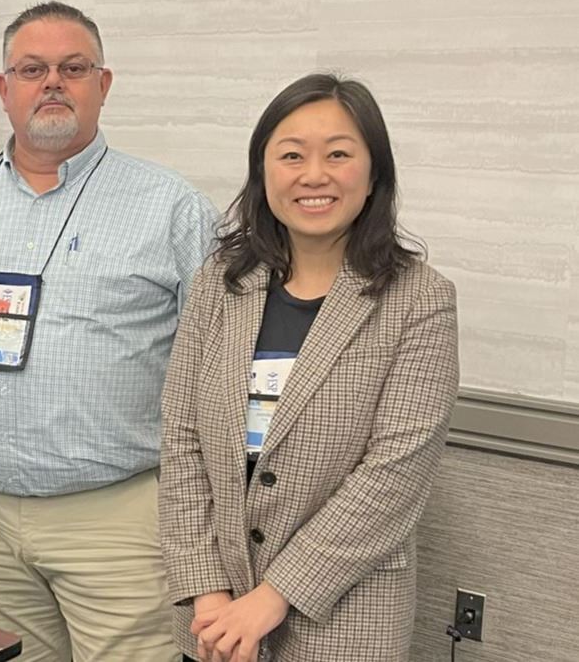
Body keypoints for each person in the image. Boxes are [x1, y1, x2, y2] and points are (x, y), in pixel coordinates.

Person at [0, 1, 219, 661]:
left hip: (119, 520)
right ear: (4, 90)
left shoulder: (174, 210)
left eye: (73, 67)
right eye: (32, 69)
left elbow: (215, 374)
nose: (53, 82)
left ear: (104, 84)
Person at [159, 73, 460, 662]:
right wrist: (206, 588)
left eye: (339, 155)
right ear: (263, 172)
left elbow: (393, 475)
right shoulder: (221, 284)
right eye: (291, 155)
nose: (313, 175)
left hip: (347, 612)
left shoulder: (421, 299)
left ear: (374, 175)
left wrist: (272, 598)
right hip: (214, 613)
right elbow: (181, 437)